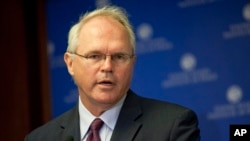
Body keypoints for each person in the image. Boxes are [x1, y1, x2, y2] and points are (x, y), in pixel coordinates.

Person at [25, 5, 200, 141]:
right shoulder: (40, 138)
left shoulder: (173, 127)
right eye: (94, 56)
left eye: (119, 56)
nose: (107, 66)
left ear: (132, 63)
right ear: (70, 64)